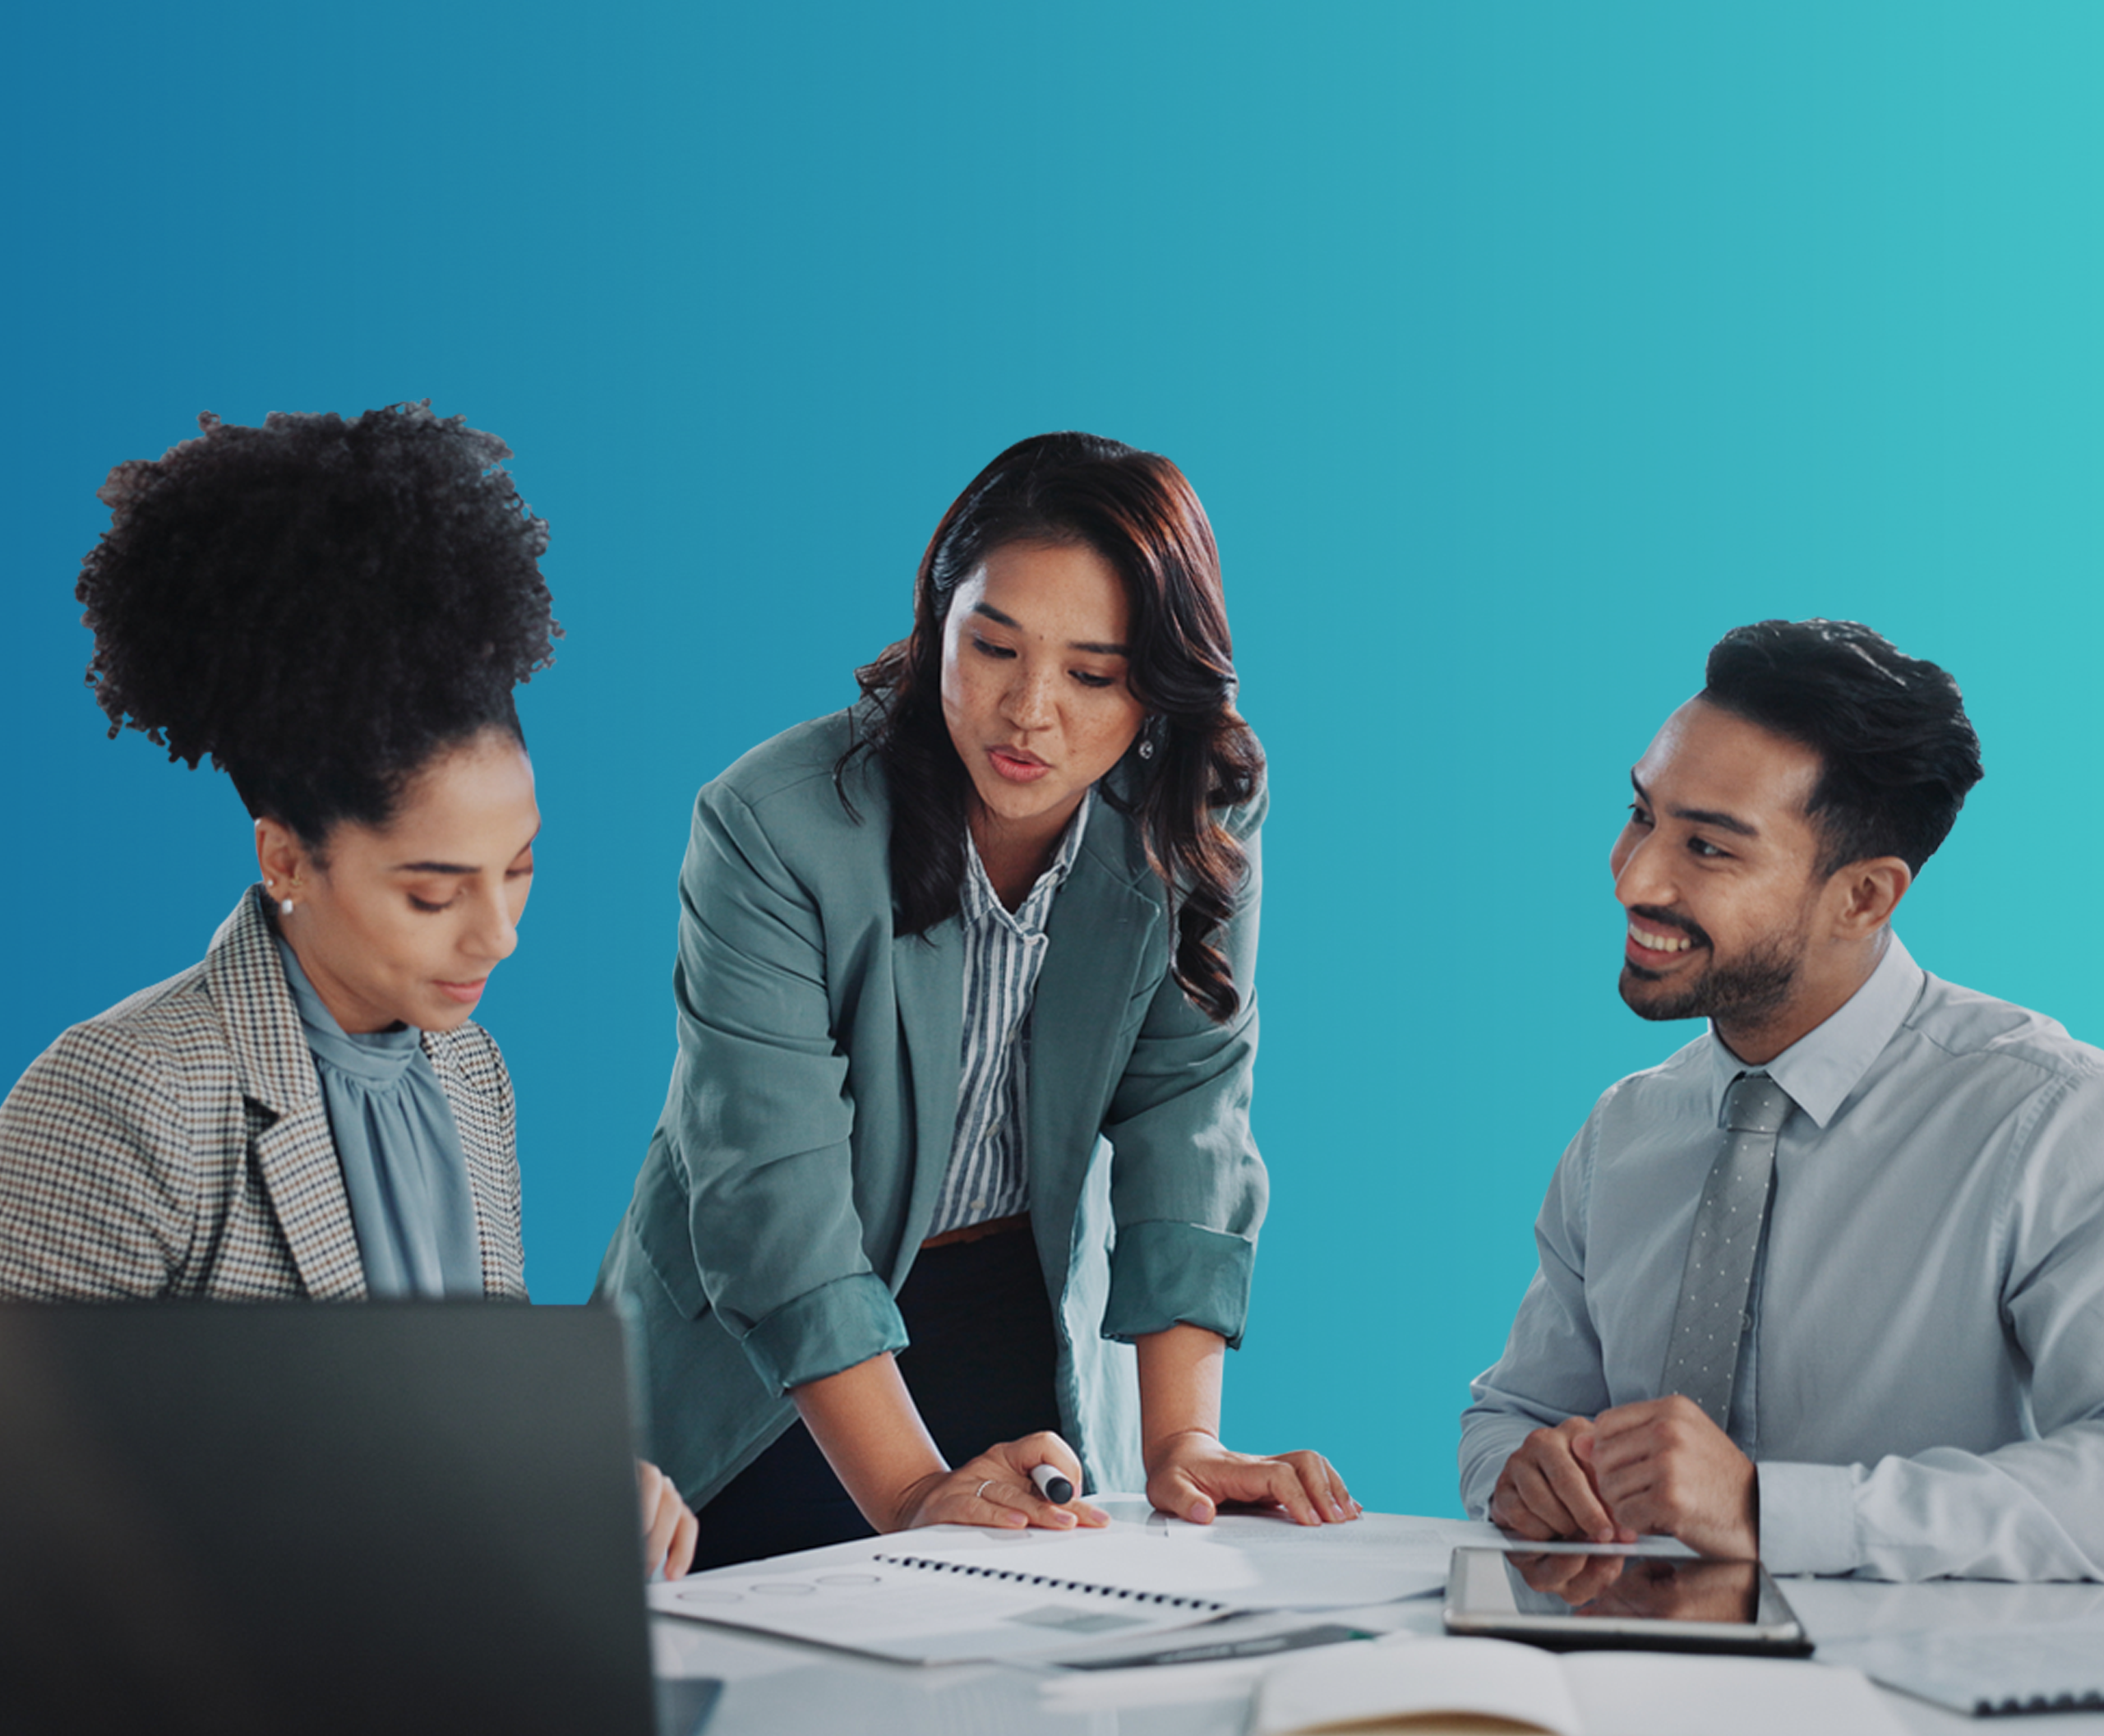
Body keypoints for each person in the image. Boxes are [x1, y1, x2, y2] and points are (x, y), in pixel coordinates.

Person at [598, 432, 1357, 1567]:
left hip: (1017, 1311)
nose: (1029, 712)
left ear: (1157, 688)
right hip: (762, 1356)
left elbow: (1188, 1108)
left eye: (1092, 675)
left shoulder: (1195, 807)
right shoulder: (770, 824)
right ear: (935, 621)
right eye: (993, 647)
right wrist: (909, 1494)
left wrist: (1183, 1439)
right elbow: (771, 1192)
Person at [0, 404, 696, 1578]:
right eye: (434, 892)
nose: (500, 933)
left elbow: (472, 1422)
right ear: (286, 861)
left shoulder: (470, 1073)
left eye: (520, 871)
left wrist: (570, 1477)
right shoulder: (125, 1095)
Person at [1459, 619, 2104, 1581]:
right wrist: (1519, 1471)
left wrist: (1772, 1511)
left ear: (1863, 899)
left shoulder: (2051, 1122)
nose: (1634, 876)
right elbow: (1517, 1414)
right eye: (1642, 815)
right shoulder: (1625, 1131)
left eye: (1709, 849)